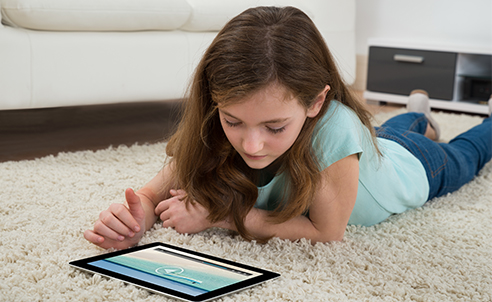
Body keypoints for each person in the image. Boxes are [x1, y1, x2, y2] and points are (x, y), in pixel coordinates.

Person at [84, 6, 492, 250]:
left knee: (466, 153)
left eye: (275, 127)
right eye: (233, 122)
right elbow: (167, 180)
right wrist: (139, 210)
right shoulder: (223, 112)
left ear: (316, 102)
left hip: (415, 170)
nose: (252, 143)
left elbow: (327, 233)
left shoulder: (338, 129)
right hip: (374, 150)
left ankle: (440, 120)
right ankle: (416, 113)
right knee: (390, 131)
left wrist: (223, 217)